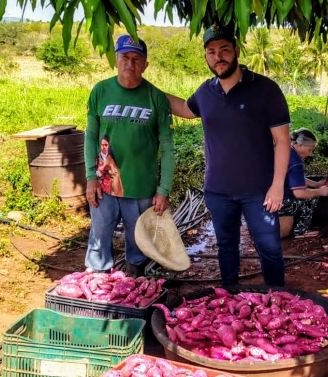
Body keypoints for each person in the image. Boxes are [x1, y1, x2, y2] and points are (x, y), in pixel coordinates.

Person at [164, 24, 291, 287]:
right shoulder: (205, 92)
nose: (217, 57)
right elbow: (185, 109)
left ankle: (278, 301)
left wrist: (277, 186)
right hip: (218, 190)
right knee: (226, 248)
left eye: (223, 50)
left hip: (260, 191)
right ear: (206, 57)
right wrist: (146, 89)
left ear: (236, 50)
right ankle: (230, 300)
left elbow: (282, 140)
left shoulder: (265, 89)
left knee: (269, 248)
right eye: (211, 52)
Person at [84, 34, 175, 278]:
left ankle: (134, 286)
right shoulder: (101, 91)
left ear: (145, 65)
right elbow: (91, 136)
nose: (130, 64)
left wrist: (163, 189)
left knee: (138, 244)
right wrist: (90, 177)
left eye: (137, 59)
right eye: (125, 57)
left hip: (142, 188)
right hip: (104, 184)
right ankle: (97, 286)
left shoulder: (156, 98)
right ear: (116, 59)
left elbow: (167, 146)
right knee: (99, 237)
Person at [279, 128, 328, 236]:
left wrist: (315, 184)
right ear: (300, 145)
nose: (310, 154)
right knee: (311, 198)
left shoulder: (285, 151)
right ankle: (301, 231)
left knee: (311, 191)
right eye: (310, 149)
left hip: (265, 198)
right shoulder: (296, 163)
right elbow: (299, 193)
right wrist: (320, 191)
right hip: (280, 204)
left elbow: (294, 178)